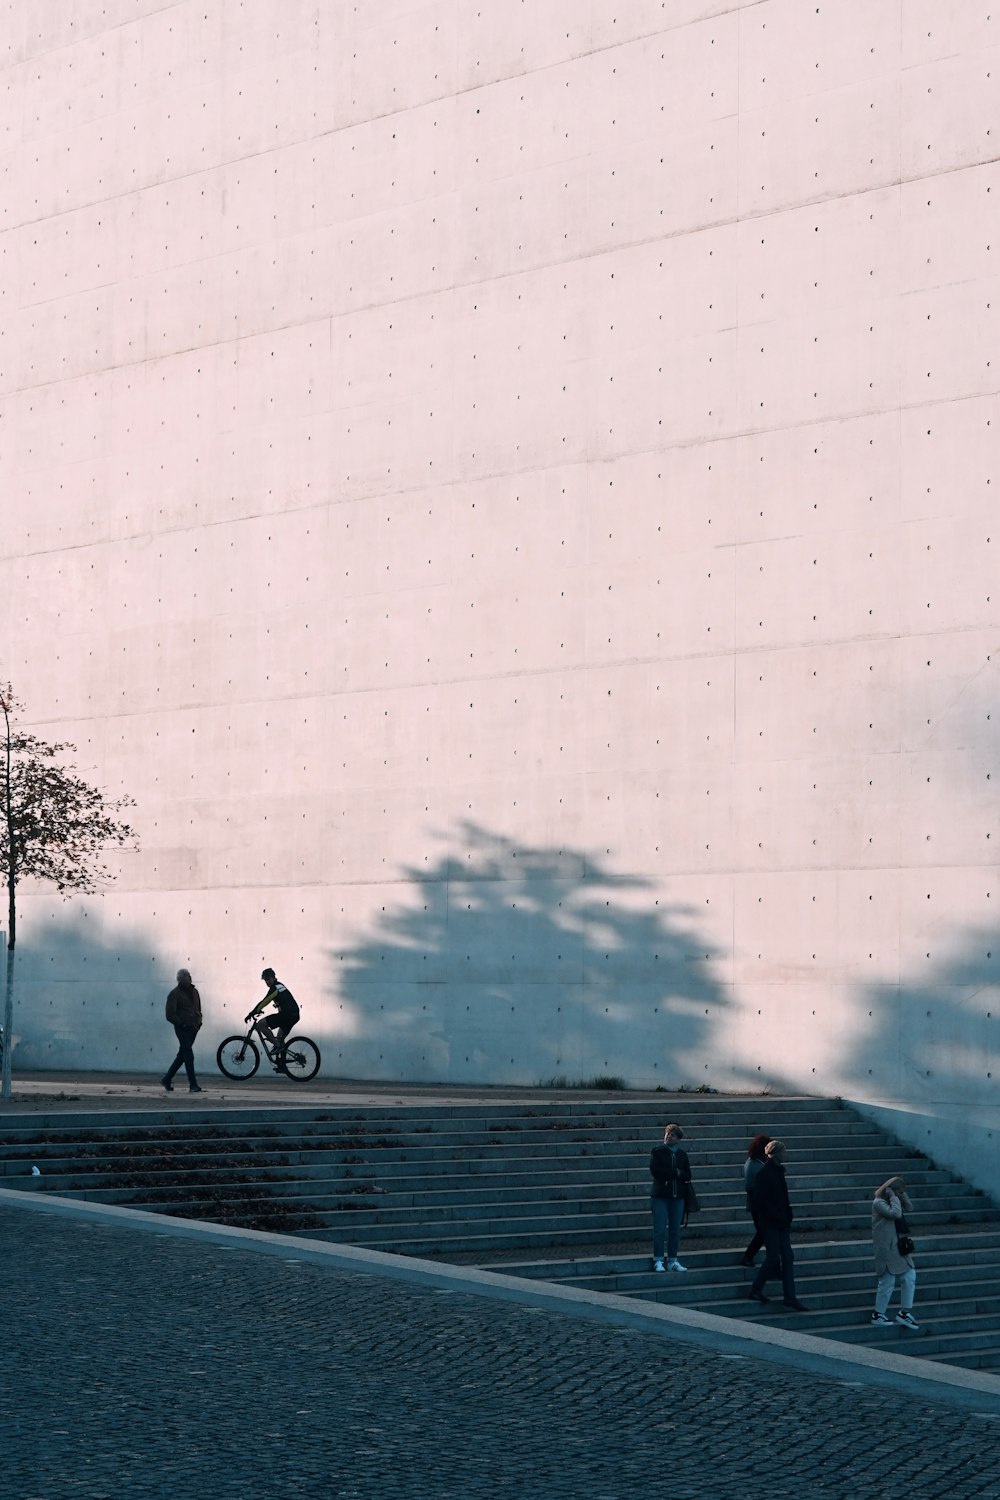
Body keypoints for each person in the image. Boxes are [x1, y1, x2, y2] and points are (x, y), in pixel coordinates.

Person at [747, 1139, 808, 1311]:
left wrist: (787, 1216)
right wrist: (778, 1216)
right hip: (772, 1223)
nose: (786, 1154)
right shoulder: (765, 1173)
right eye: (784, 1152)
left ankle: (790, 1296)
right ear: (777, 1153)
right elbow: (760, 1201)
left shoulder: (777, 1171)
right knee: (774, 1257)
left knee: (787, 1257)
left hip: (780, 1221)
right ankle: (756, 1289)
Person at [870, 1176, 919, 1329]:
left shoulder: (894, 1200)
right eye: (899, 1192)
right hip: (886, 1248)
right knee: (887, 1281)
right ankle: (878, 1314)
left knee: (909, 1275)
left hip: (898, 1247)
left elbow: (909, 1208)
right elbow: (896, 1214)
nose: (899, 1195)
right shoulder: (879, 1203)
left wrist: (901, 1195)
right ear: (890, 1191)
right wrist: (892, 1196)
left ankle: (904, 1312)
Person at [649, 1122, 693, 1273]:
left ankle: (673, 1260)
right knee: (660, 1229)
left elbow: (687, 1174)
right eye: (667, 1134)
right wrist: (676, 1173)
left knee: (675, 1230)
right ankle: (658, 1260)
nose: (668, 1137)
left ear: (678, 1139)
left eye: (672, 1135)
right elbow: (656, 1171)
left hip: (678, 1196)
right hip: (660, 1195)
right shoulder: (657, 1152)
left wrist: (675, 1173)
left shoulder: (682, 1155)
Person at [248, 967, 300, 1068]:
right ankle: (282, 1065)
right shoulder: (279, 986)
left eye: (268, 979)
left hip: (287, 1015)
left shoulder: (275, 988)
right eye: (265, 980)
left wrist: (252, 1012)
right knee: (280, 1039)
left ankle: (277, 1045)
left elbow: (265, 1001)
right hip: (292, 1015)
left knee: (261, 1025)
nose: (267, 982)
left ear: (273, 978)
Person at [161, 968, 203, 1093]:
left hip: (194, 1028)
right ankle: (193, 1084)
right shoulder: (174, 994)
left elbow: (198, 1008)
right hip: (182, 1029)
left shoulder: (195, 991)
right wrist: (181, 1023)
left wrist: (199, 1021)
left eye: (189, 977)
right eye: (186, 978)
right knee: (188, 1055)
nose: (189, 979)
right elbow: (169, 1014)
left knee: (182, 1056)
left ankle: (167, 1079)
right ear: (179, 980)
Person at [741, 1133, 771, 1266]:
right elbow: (750, 1187)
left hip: (758, 1204)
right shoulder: (754, 1164)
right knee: (764, 1232)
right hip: (759, 1205)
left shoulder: (755, 1162)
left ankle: (750, 1257)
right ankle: (748, 1256)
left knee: (765, 1233)